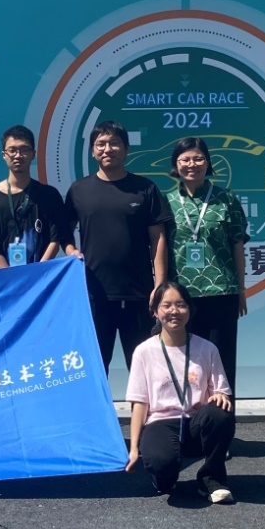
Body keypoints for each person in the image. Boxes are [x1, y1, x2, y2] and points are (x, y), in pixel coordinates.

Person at [63, 120, 171, 374]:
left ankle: (145, 406)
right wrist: (70, 251)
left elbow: (158, 239)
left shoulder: (145, 188)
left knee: (145, 370)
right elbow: (64, 232)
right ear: (92, 151)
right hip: (95, 294)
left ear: (126, 149)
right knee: (95, 368)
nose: (107, 149)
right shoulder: (79, 190)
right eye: (100, 144)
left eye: (114, 143)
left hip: (139, 294)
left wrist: (160, 285)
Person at [125, 282, 235, 504]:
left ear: (190, 310)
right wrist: (134, 448)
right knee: (162, 464)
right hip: (161, 423)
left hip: (196, 422)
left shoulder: (207, 348)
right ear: (155, 312)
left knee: (220, 413)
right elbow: (140, 403)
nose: (174, 311)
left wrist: (220, 397)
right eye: (167, 305)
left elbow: (221, 391)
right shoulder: (144, 352)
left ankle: (212, 479)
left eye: (181, 305)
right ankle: (163, 476)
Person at [164, 136, 249, 395]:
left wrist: (241, 289)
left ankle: (221, 419)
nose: (192, 164)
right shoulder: (166, 201)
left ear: (208, 163)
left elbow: (237, 245)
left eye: (198, 159)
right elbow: (158, 248)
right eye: (185, 159)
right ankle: (189, 419)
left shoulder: (226, 198)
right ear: (175, 164)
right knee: (186, 362)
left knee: (222, 361)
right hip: (181, 296)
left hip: (221, 291)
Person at [0, 125, 66, 268]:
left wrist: (37, 272)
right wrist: (10, 276)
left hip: (40, 275)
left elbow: (55, 239)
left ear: (33, 154)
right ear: (4, 155)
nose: (18, 155)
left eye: (24, 150)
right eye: (12, 150)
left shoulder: (49, 195)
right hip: (3, 276)